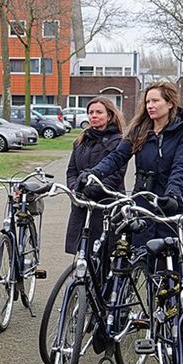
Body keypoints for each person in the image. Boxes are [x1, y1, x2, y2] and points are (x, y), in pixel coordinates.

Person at [82, 81, 183, 249]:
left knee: (172, 260)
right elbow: (117, 157)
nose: (150, 106)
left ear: (170, 103)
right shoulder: (139, 130)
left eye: (155, 101)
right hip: (142, 200)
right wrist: (95, 173)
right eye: (148, 102)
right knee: (141, 254)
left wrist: (173, 195)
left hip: (169, 202)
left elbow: (180, 166)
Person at [64, 96, 126, 255]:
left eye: (99, 112)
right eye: (90, 112)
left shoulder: (118, 142)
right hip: (81, 205)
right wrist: (74, 188)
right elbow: (71, 170)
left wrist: (87, 190)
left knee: (101, 254)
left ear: (109, 116)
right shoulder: (80, 141)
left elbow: (115, 176)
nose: (94, 116)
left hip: (105, 206)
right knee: (82, 252)